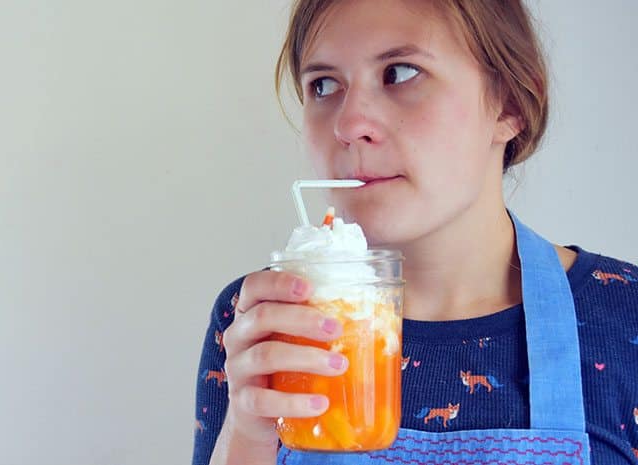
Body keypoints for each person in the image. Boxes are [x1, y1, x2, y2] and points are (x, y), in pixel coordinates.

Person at [192, 1, 638, 464]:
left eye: (400, 73)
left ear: (510, 104)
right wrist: (245, 438)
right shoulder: (260, 320)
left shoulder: (628, 316)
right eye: (323, 85)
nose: (349, 125)